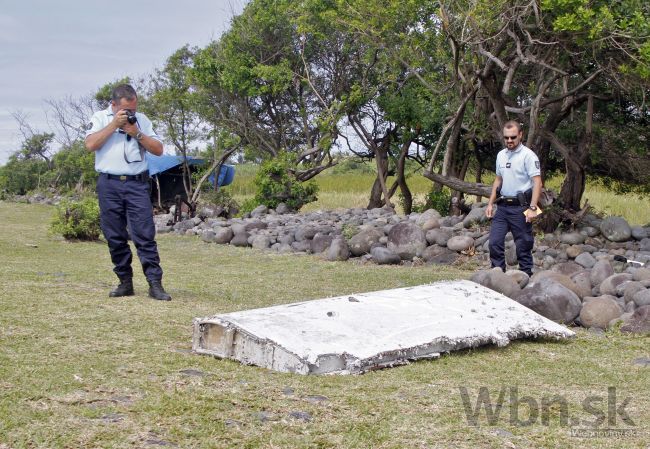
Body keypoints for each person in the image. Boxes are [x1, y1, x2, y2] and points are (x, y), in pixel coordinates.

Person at [85, 84, 171, 301]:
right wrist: (114, 125)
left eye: (133, 108)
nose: (130, 113)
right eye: (125, 110)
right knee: (114, 235)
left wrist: (136, 132)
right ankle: (125, 282)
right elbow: (90, 144)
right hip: (109, 184)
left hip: (136, 184)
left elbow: (158, 150)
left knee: (144, 234)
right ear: (113, 105)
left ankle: (155, 284)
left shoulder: (142, 120)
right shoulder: (100, 118)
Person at [485, 120, 542, 277]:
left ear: (520, 135)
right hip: (502, 207)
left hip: (522, 207)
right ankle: (498, 275)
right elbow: (498, 180)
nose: (509, 141)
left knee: (523, 245)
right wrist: (490, 203)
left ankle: (525, 277)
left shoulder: (528, 156)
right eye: (506, 138)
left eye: (513, 137)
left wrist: (532, 208)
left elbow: (537, 182)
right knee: (494, 242)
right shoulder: (501, 155)